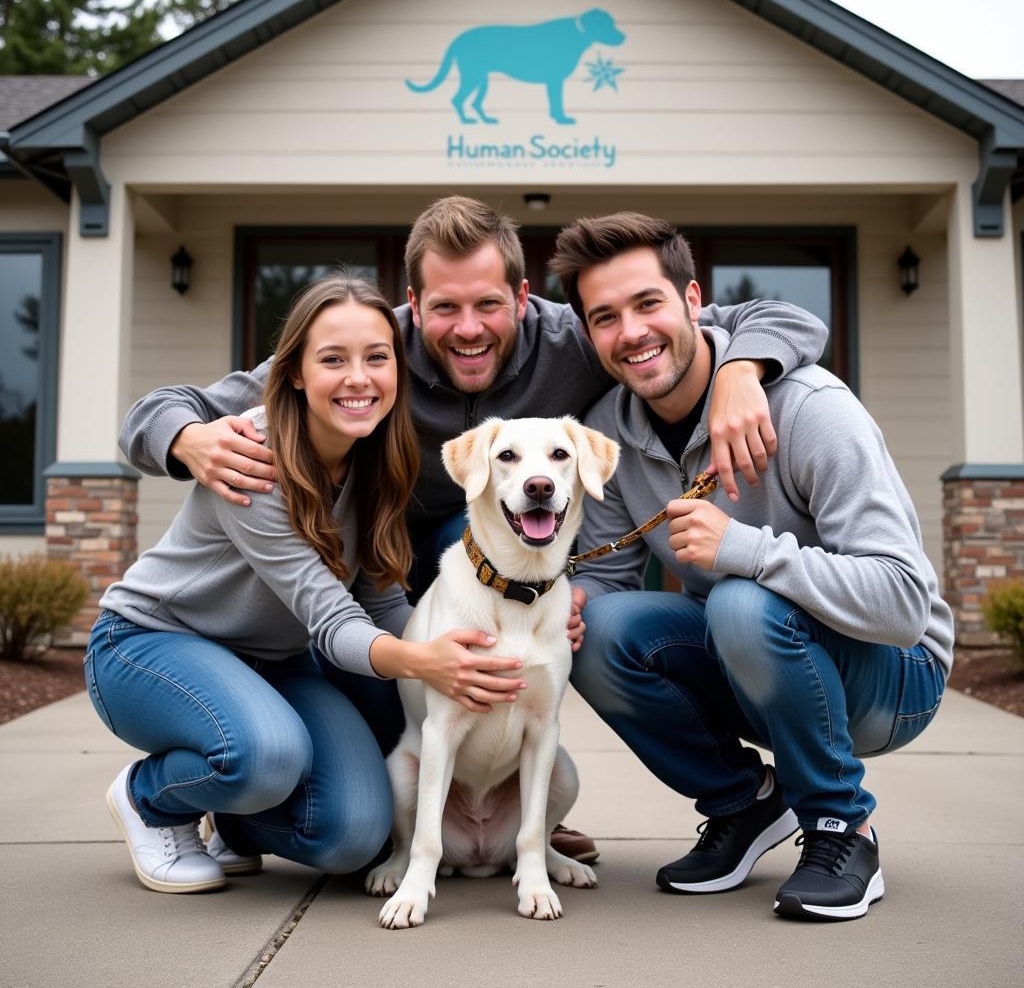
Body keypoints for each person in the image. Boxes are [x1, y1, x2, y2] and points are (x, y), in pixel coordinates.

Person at [118, 196, 829, 861]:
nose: (468, 328)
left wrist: (741, 368)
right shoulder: (366, 354)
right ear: (412, 307)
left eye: (489, 304)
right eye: (444, 307)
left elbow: (780, 319)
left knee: (352, 822)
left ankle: (486, 798)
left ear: (522, 300)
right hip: (383, 582)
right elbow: (158, 409)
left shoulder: (577, 341)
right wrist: (187, 439)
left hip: (403, 572)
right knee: (419, 610)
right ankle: (208, 785)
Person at [548, 212, 954, 921]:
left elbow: (903, 605)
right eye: (605, 317)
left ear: (694, 300)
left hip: (894, 678)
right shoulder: (609, 432)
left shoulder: (812, 409)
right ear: (589, 334)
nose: (631, 332)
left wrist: (746, 551)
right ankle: (747, 805)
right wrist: (573, 602)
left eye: (648, 303)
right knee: (596, 627)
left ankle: (841, 827)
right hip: (763, 665)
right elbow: (610, 579)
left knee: (739, 600)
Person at [86, 274, 527, 894]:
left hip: (277, 665)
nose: (358, 378)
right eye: (332, 360)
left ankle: (236, 824)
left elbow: (377, 599)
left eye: (377, 358)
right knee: (266, 756)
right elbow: (331, 618)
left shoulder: (378, 456)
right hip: (149, 645)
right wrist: (424, 661)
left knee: (356, 838)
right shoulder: (254, 452)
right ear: (293, 372)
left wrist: (473, 646)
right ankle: (151, 798)